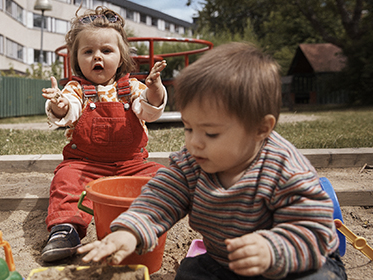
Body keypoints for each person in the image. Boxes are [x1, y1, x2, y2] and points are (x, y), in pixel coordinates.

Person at [76, 42, 347, 279]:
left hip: (294, 264)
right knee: (191, 272)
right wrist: (130, 232)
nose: (195, 142)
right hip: (227, 263)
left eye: (211, 132)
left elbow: (313, 232)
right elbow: (160, 198)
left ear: (261, 129)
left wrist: (271, 250)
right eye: (189, 128)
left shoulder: (285, 170)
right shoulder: (193, 162)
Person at [41, 6, 167, 262]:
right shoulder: (77, 89)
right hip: (85, 164)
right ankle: (65, 230)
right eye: (88, 52)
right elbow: (68, 109)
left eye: (106, 51)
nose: (97, 57)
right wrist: (59, 104)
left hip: (131, 165)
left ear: (121, 58)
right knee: (65, 179)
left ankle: (145, 222)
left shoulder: (131, 86)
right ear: (76, 59)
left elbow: (148, 110)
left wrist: (154, 89)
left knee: (161, 176)